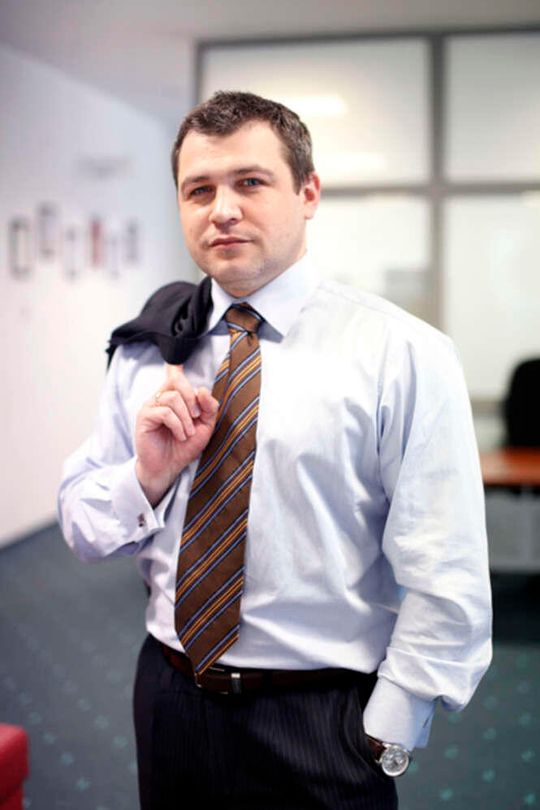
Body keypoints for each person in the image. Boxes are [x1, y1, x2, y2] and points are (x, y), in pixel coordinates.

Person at [58, 91, 492, 810]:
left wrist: (387, 727)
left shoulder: (400, 353)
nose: (222, 210)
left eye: (250, 182)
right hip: (169, 694)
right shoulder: (149, 351)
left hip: (322, 718)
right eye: (199, 190)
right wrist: (147, 478)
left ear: (308, 192)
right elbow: (82, 528)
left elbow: (447, 569)